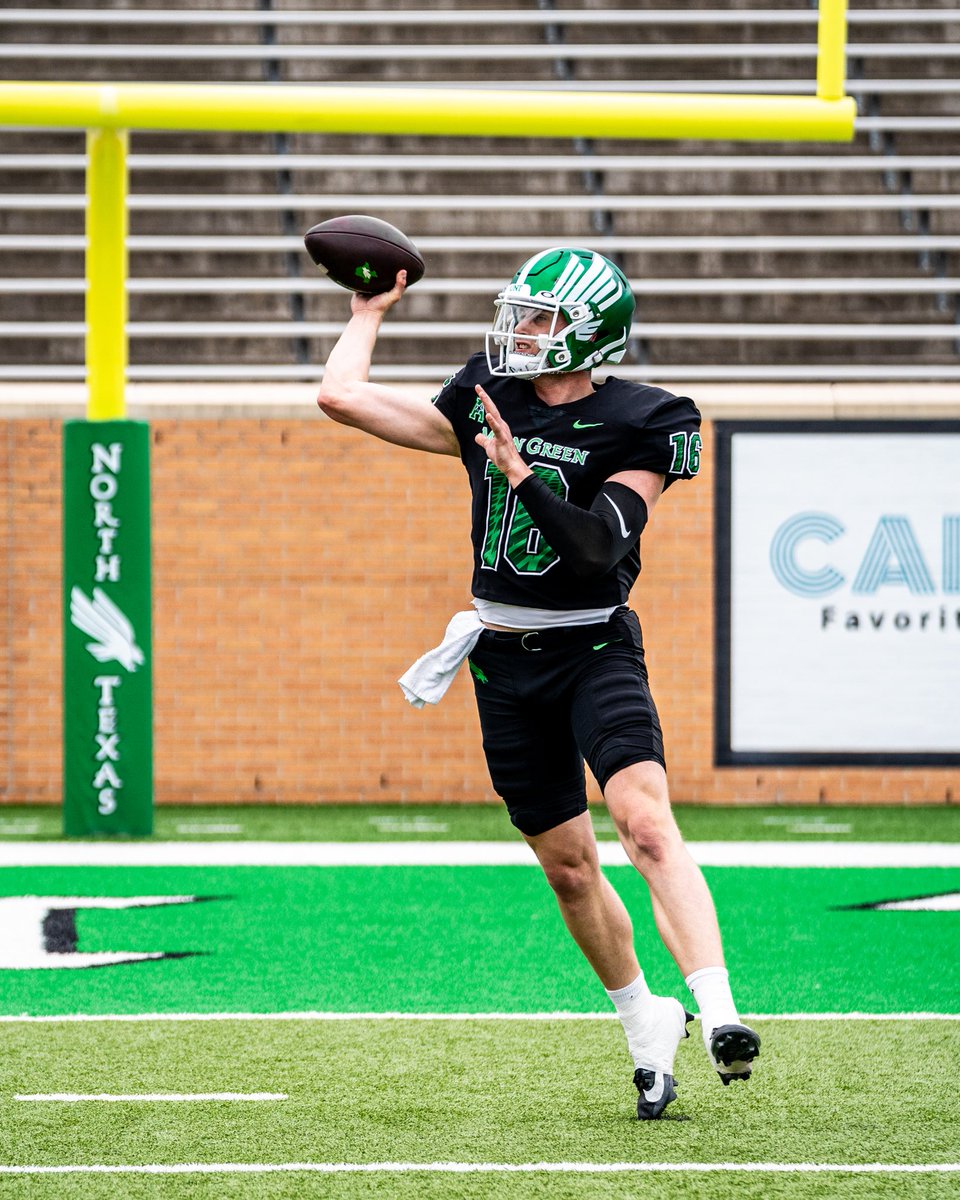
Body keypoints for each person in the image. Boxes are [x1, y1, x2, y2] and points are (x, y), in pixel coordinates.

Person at [316, 245, 759, 1120]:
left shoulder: (649, 418)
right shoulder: (492, 394)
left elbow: (601, 546)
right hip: (501, 657)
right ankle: (646, 1024)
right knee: (566, 867)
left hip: (592, 647)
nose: (518, 331)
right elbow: (342, 398)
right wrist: (367, 315)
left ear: (592, 337)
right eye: (518, 312)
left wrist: (521, 472)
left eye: (540, 319)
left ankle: (719, 1015)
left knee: (644, 820)